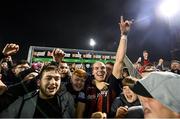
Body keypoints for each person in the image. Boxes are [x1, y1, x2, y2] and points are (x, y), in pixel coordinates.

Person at [85, 16, 132, 117]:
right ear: (92, 72)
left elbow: (119, 61)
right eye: (96, 68)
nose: (100, 70)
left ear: (106, 72)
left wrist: (123, 35)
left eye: (103, 68)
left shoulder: (112, 84)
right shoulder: (87, 86)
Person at [0, 64, 75, 118]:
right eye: (48, 78)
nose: (53, 82)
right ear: (38, 82)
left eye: (57, 79)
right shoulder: (22, 101)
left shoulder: (67, 98)